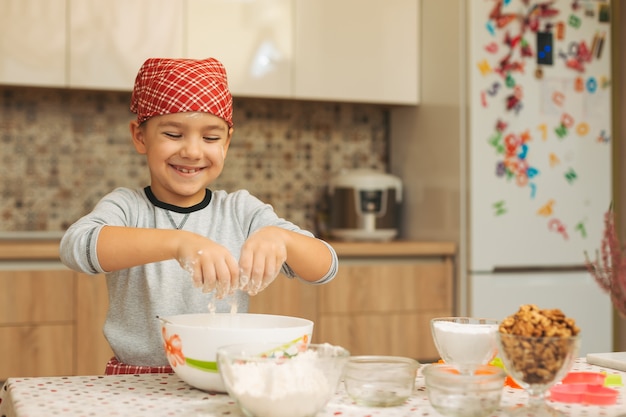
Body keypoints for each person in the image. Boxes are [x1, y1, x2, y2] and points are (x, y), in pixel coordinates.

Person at [59, 57, 338, 374]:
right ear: (140, 136)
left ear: (227, 142)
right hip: (136, 381)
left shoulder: (240, 211)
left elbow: (325, 267)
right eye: (174, 134)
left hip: (223, 378)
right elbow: (76, 247)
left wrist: (282, 238)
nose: (192, 151)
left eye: (210, 138)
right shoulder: (127, 207)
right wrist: (179, 243)